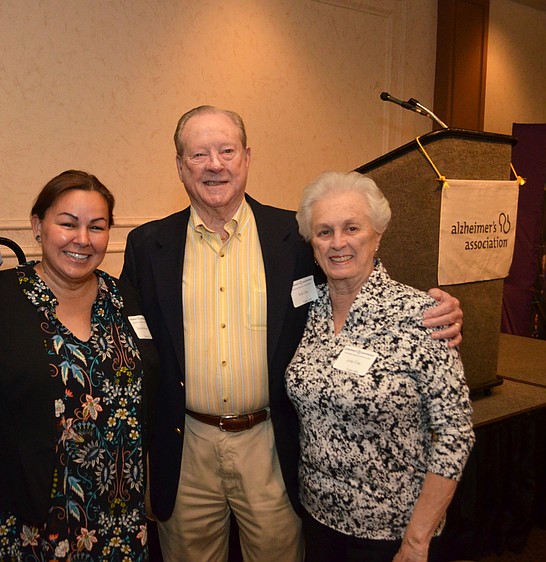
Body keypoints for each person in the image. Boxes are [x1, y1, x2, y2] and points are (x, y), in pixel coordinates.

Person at [120, 105, 464, 562]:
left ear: (247, 157)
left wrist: (438, 310)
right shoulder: (148, 245)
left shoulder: (297, 238)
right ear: (180, 166)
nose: (215, 165)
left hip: (271, 442)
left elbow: (354, 275)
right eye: (198, 154)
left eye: (226, 150)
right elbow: (128, 331)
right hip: (186, 447)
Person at [286, 171, 474, 561]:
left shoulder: (421, 316)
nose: (338, 243)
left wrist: (417, 540)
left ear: (377, 235)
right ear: (312, 243)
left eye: (352, 228)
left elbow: (455, 433)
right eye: (324, 232)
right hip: (317, 519)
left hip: (394, 533)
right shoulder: (305, 312)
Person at [0, 170, 159, 561]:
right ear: (37, 226)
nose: (82, 239)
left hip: (118, 516)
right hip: (28, 519)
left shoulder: (125, 299)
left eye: (97, 226)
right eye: (67, 223)